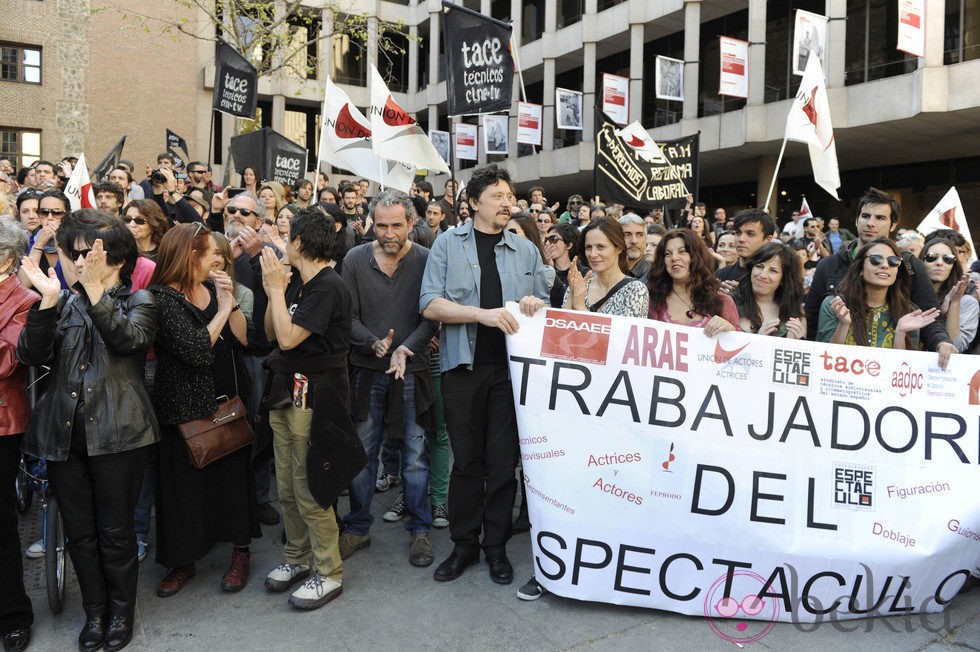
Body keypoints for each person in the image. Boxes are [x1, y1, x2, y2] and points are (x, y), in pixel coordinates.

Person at [18, 211, 159, 651]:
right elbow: (29, 353)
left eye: (89, 253)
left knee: (115, 531)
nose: (79, 261)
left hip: (119, 435)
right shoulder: (62, 302)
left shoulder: (142, 301)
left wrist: (96, 293)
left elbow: (127, 341)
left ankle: (121, 613)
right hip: (63, 435)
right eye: (75, 253)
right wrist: (44, 303)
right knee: (79, 532)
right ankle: (94, 612)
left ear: (115, 258)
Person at [420, 164, 550, 585]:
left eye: (509, 196)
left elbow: (545, 307)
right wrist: (482, 315)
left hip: (511, 374)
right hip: (462, 369)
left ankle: (495, 547)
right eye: (497, 196)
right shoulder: (446, 244)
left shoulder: (526, 251)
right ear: (473, 203)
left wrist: (533, 304)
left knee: (502, 464)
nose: (507, 203)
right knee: (466, 462)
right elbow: (430, 304)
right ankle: (464, 545)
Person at [513, 219, 648, 602]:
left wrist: (576, 305)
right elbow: (561, 340)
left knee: (603, 494)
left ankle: (600, 574)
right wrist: (540, 307)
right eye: (589, 248)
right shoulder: (580, 281)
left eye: (602, 247)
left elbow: (610, 347)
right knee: (566, 488)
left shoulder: (636, 290)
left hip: (611, 408)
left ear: (620, 248)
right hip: (573, 404)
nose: (594, 254)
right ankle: (552, 570)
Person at [148, 223, 259, 599]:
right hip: (182, 408)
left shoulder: (216, 289)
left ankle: (240, 552)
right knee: (182, 488)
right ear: (190, 255)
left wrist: (231, 302)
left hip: (227, 401)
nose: (218, 258)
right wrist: (223, 309)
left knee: (233, 481)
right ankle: (183, 560)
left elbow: (245, 337)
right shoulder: (160, 298)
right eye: (211, 251)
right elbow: (197, 349)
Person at [338, 190, 438, 569]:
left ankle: (421, 529)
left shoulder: (428, 259)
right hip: (366, 372)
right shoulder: (354, 259)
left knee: (415, 456)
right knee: (363, 455)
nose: (390, 232)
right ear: (372, 224)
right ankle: (359, 526)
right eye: (382, 225)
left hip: (413, 372)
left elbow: (431, 316)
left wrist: (404, 349)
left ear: (411, 223)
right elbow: (346, 316)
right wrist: (373, 344)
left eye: (397, 224)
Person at [260, 207, 352, 610]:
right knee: (286, 485)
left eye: (287, 237)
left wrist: (277, 291)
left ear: (297, 243)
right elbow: (270, 331)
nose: (282, 243)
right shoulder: (297, 281)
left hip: (316, 395)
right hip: (286, 392)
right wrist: (274, 291)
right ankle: (297, 558)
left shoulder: (328, 286)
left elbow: (288, 337)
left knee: (310, 485)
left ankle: (328, 571)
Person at [805, 188, 955, 367]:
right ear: (856, 220)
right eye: (866, 216)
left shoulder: (911, 266)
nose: (870, 223)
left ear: (893, 225)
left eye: (880, 218)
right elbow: (813, 322)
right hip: (838, 371)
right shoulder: (829, 265)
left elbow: (930, 316)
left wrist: (941, 342)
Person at [0, 224, 38, 652]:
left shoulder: (24, 299)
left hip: (5, 423)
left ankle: (12, 612)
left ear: (8, 259)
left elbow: (10, 360)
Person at [817, 237, 938, 348]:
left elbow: (903, 369)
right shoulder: (835, 305)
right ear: (860, 269)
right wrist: (843, 326)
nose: (885, 265)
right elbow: (825, 360)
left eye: (893, 261)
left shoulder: (908, 312)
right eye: (876, 259)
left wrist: (900, 333)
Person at [647, 228, 740, 335]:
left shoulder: (723, 302)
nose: (674, 258)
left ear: (697, 256)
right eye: (668, 254)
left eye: (682, 251)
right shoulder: (651, 300)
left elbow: (741, 347)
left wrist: (730, 331)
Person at [732, 242, 806, 338]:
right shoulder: (730, 304)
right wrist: (759, 341)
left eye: (773, 271)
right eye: (759, 266)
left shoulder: (796, 313)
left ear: (784, 279)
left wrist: (793, 343)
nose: (763, 275)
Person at [919, 238, 977, 352]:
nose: (939, 263)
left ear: (954, 265)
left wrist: (954, 304)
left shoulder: (967, 302)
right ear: (921, 261)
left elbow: (955, 347)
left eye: (948, 259)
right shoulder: (907, 296)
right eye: (932, 257)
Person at [716, 209, 777, 284]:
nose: (741, 239)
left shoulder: (773, 279)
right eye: (738, 233)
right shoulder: (721, 275)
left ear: (767, 240)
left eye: (750, 234)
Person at [619, 214, 651, 282]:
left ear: (645, 239)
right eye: (627, 235)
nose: (634, 241)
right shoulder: (606, 270)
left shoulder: (654, 276)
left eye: (639, 235)